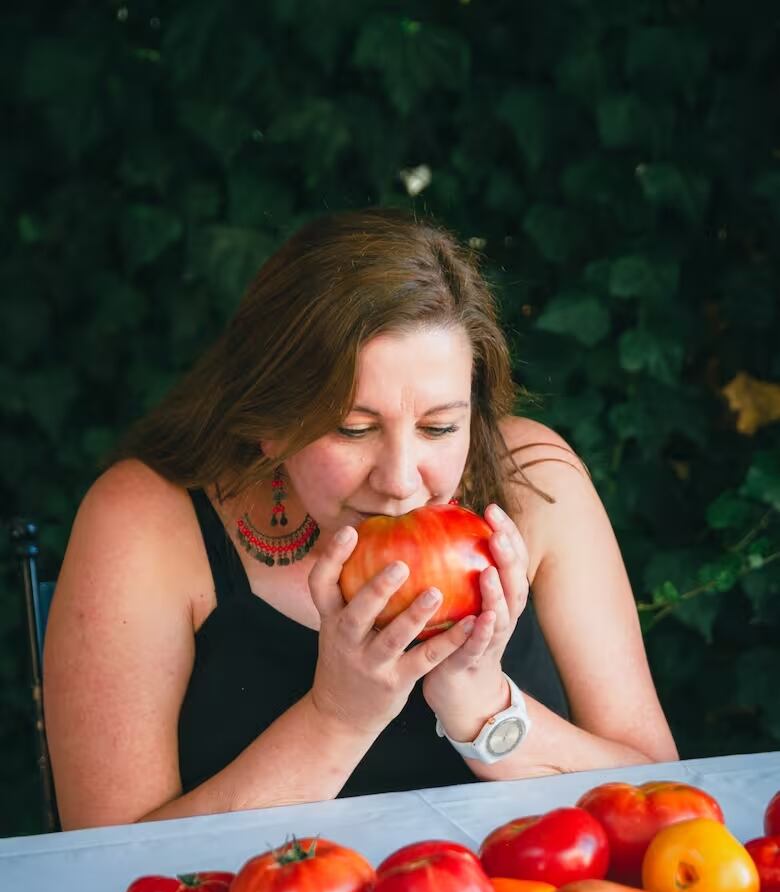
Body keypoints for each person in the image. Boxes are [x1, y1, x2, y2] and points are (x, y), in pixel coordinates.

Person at [44, 208, 678, 829]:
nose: (401, 481)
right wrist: (338, 716)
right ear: (270, 423)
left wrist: (483, 707)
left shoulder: (534, 480)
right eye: (352, 428)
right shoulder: (145, 522)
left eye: (439, 426)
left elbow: (663, 795)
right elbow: (104, 856)